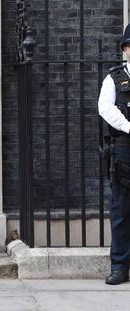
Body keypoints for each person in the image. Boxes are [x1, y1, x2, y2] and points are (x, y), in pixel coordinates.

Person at [98, 24, 130, 285]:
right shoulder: (114, 79)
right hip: (124, 150)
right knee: (121, 212)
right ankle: (120, 266)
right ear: (125, 49)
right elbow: (105, 108)